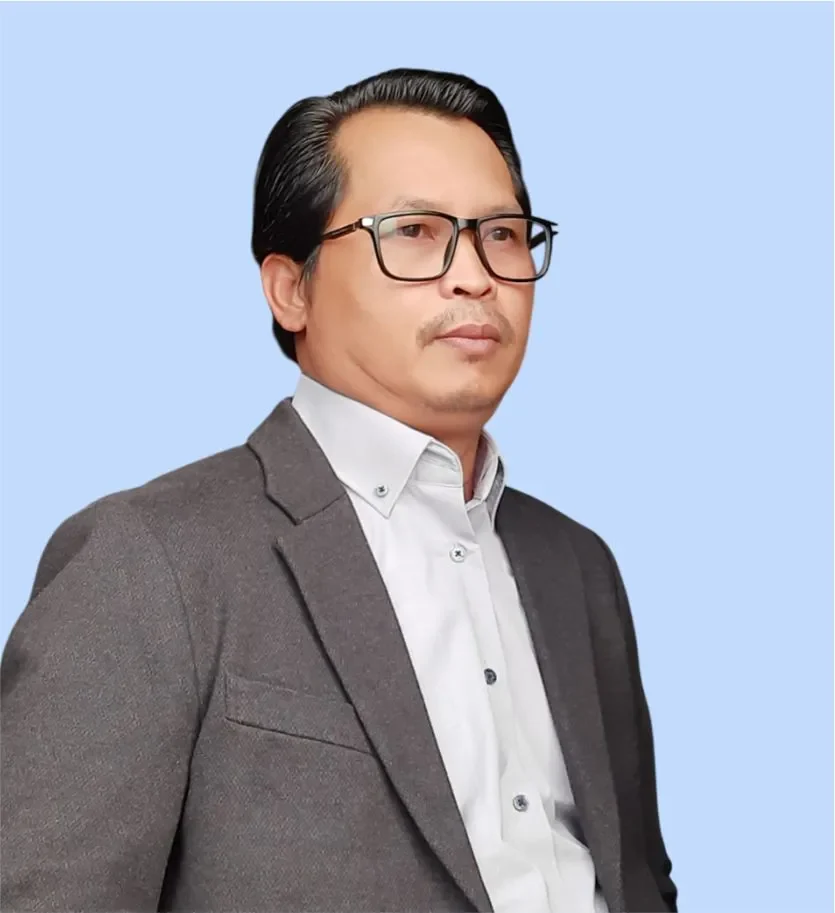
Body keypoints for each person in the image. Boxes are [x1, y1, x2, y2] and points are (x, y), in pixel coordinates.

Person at [0, 67, 677, 913]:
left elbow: (636, 877)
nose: (474, 275)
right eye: (415, 231)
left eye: (502, 234)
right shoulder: (149, 559)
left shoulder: (577, 564)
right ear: (291, 288)